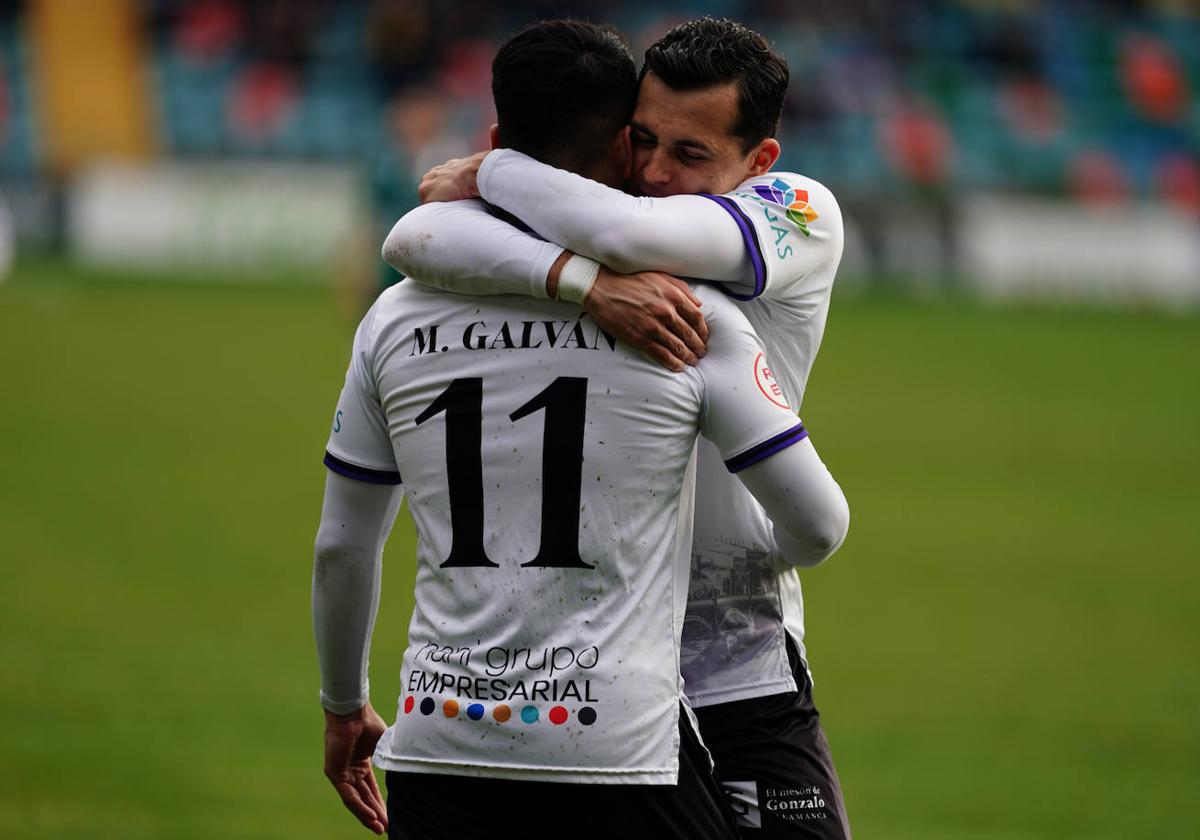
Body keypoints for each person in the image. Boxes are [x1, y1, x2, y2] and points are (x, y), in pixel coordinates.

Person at [314, 19, 850, 840]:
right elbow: (416, 232)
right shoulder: (607, 226)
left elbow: (593, 232)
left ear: (758, 163)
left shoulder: (795, 212)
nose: (656, 174)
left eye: (691, 154)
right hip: (614, 672)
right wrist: (580, 281)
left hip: (730, 649)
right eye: (642, 140)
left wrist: (493, 170)